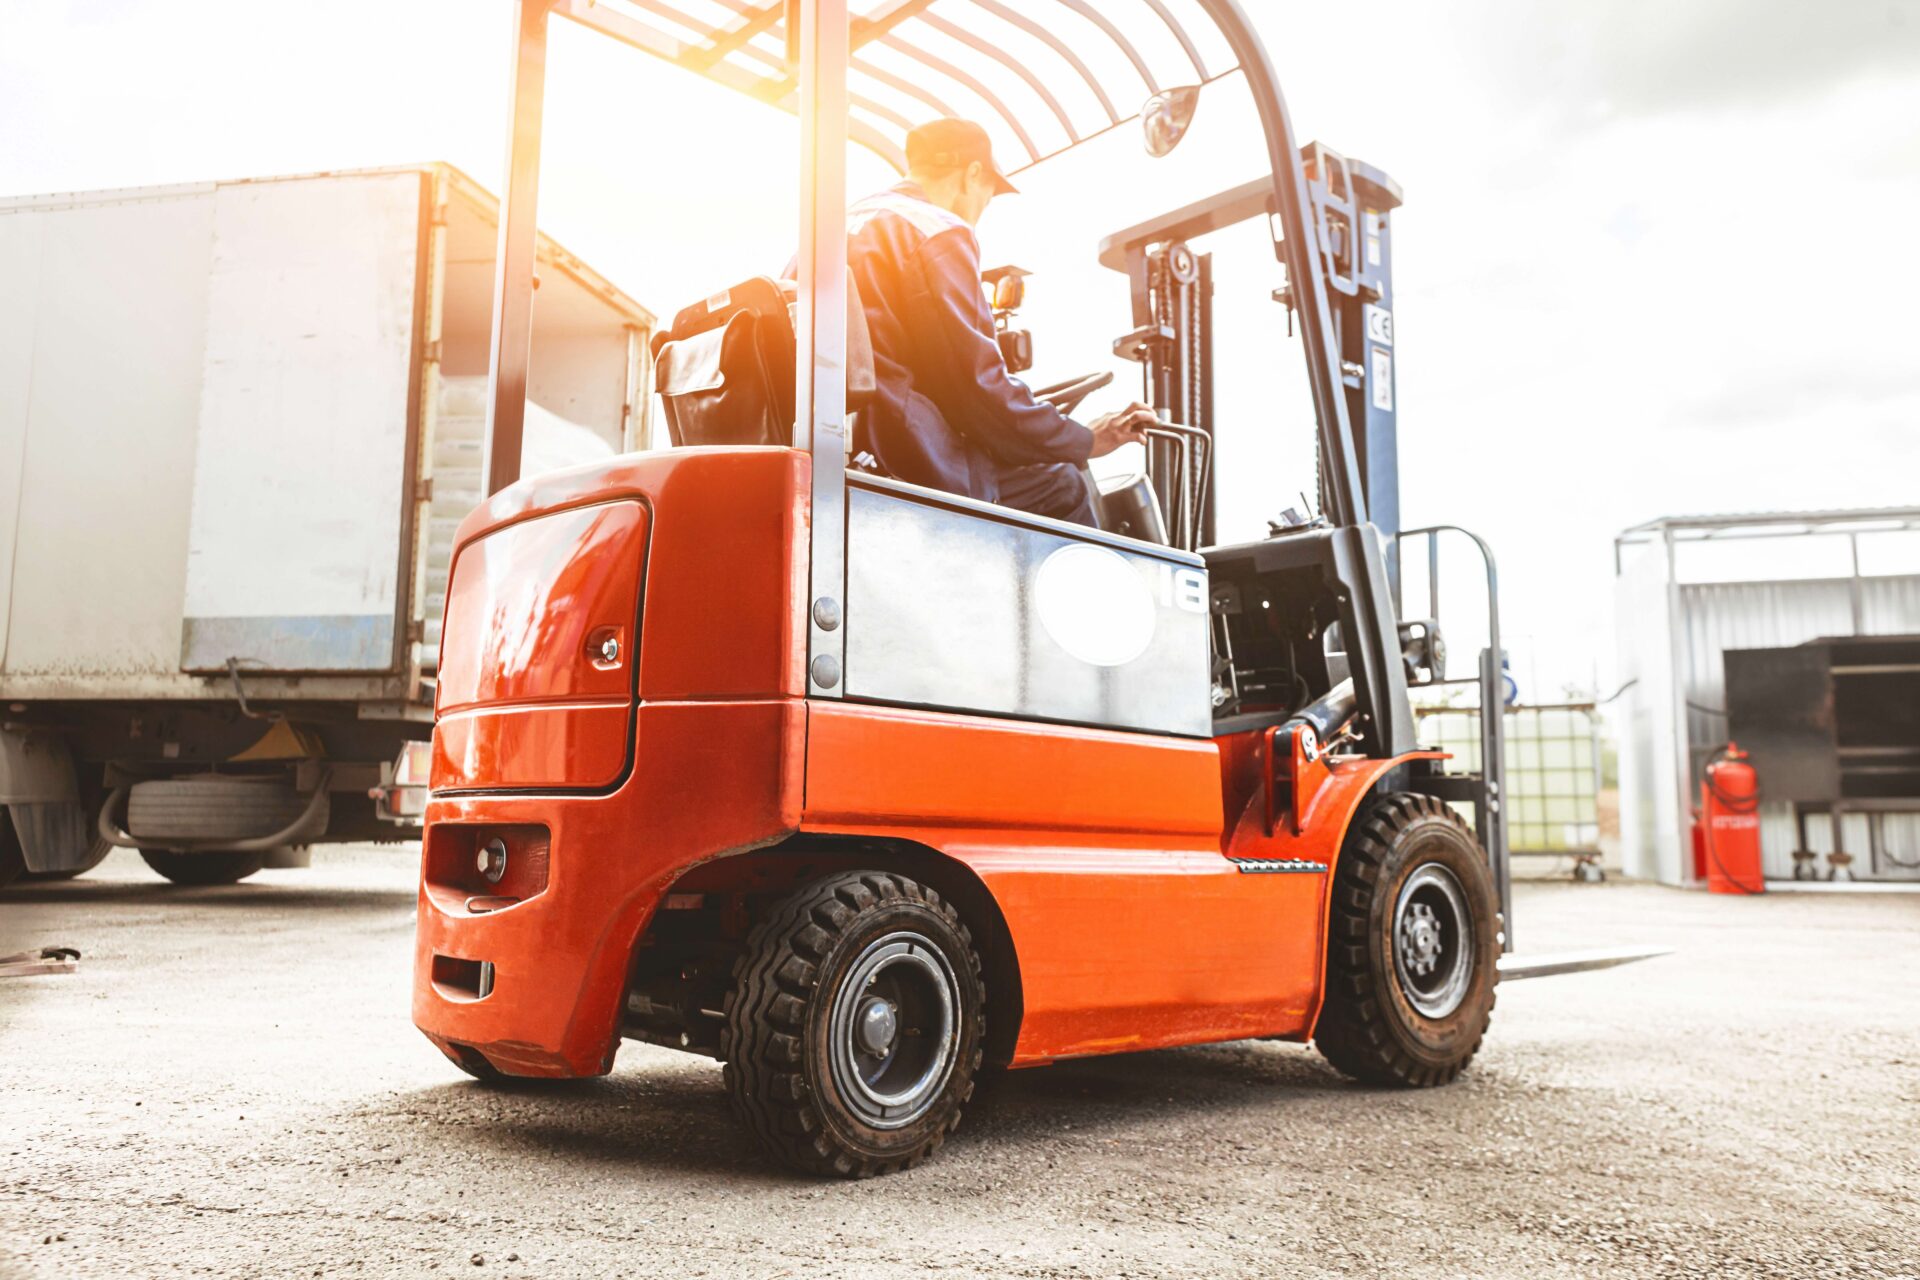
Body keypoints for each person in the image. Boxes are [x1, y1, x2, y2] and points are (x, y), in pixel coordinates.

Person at [843, 118, 1156, 526]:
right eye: (986, 199)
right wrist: (1084, 439)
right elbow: (975, 387)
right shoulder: (937, 231)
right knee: (1063, 483)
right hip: (904, 451)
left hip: (855, 440)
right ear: (973, 173)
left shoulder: (839, 225)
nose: (979, 215)